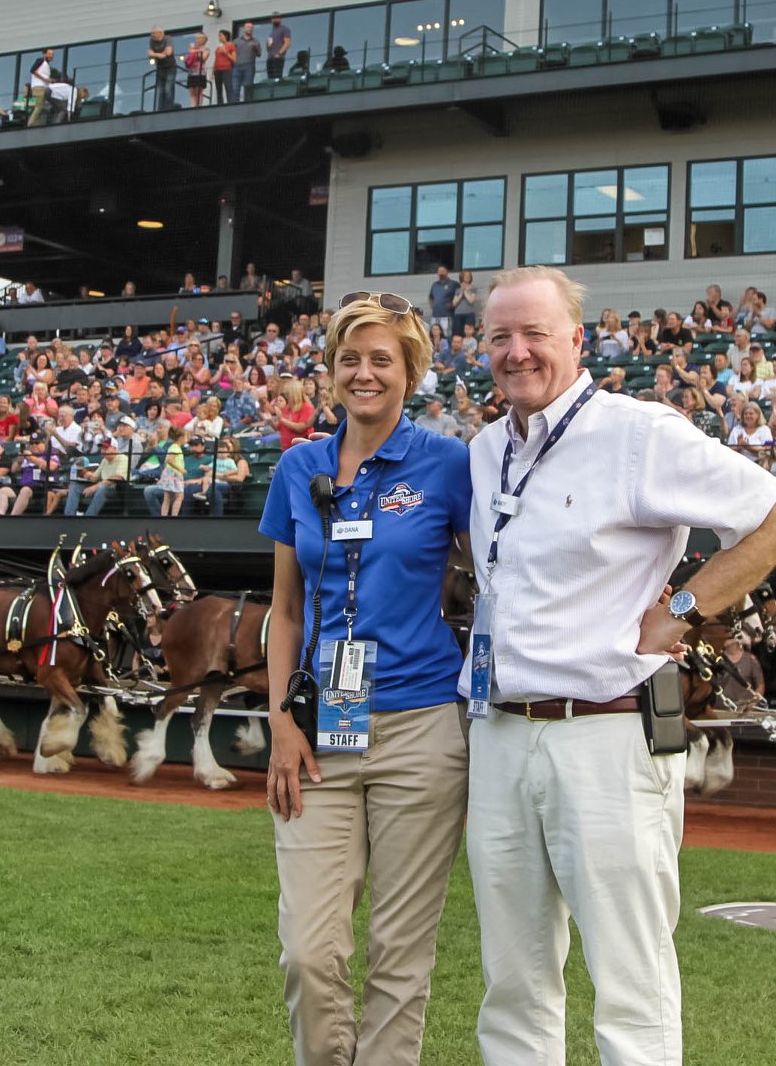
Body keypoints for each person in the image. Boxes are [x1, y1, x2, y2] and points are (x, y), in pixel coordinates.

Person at [460, 265, 776, 1066]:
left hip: (607, 733)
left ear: (577, 339)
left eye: (534, 333)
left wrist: (680, 611)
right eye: (500, 337)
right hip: (502, 732)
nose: (516, 352)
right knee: (512, 982)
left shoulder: (638, 433)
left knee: (630, 981)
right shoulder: (485, 450)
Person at [260, 291, 471, 1066]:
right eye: (350, 358)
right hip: (316, 730)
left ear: (410, 371)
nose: (365, 372)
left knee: (399, 955)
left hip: (422, 731)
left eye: (382, 358)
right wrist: (281, 719)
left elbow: (504, 566)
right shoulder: (298, 466)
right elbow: (284, 611)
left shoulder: (449, 463)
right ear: (332, 370)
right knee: (308, 954)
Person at [27, 48, 60, 126]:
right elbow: (32, 70)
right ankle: (31, 123)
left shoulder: (46, 64)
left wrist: (49, 80)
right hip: (39, 87)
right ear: (44, 54)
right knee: (39, 106)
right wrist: (45, 79)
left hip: (42, 87)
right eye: (49, 54)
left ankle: (35, 123)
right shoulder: (40, 60)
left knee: (40, 106)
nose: (51, 56)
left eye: (52, 54)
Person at [147, 30, 178, 112]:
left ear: (160, 33)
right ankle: (160, 108)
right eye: (152, 33)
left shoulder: (167, 39)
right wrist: (159, 55)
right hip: (160, 67)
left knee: (168, 88)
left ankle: (168, 107)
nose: (152, 34)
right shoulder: (152, 41)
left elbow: (168, 52)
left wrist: (155, 54)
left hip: (170, 67)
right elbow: (149, 53)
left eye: (154, 33)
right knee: (161, 89)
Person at [233, 20, 262, 103]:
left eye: (251, 28)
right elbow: (231, 53)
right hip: (237, 66)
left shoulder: (256, 41)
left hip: (249, 66)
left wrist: (255, 48)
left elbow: (259, 54)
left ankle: (247, 104)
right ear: (244, 29)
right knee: (235, 87)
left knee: (248, 87)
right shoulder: (236, 41)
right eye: (248, 27)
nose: (250, 29)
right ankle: (235, 104)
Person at [184, 31, 209, 108]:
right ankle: (192, 105)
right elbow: (188, 58)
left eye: (198, 38)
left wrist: (195, 52)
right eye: (197, 38)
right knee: (192, 92)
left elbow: (203, 58)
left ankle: (199, 106)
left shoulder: (206, 49)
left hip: (200, 72)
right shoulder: (194, 48)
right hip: (192, 72)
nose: (197, 40)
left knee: (199, 91)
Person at [211, 29, 236, 106]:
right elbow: (216, 59)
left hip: (226, 69)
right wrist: (212, 72)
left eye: (220, 35)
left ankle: (230, 103)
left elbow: (234, 59)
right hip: (217, 70)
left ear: (226, 36)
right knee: (218, 89)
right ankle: (220, 104)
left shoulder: (231, 45)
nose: (219, 37)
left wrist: (226, 53)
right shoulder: (218, 48)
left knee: (228, 87)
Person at [266, 12, 293, 81]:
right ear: (271, 20)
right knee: (270, 79)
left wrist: (279, 53)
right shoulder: (271, 32)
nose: (275, 19)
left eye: (277, 17)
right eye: (274, 18)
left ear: (280, 19)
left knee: (277, 78)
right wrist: (268, 44)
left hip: (278, 58)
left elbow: (287, 43)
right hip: (270, 58)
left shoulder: (284, 29)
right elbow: (269, 46)